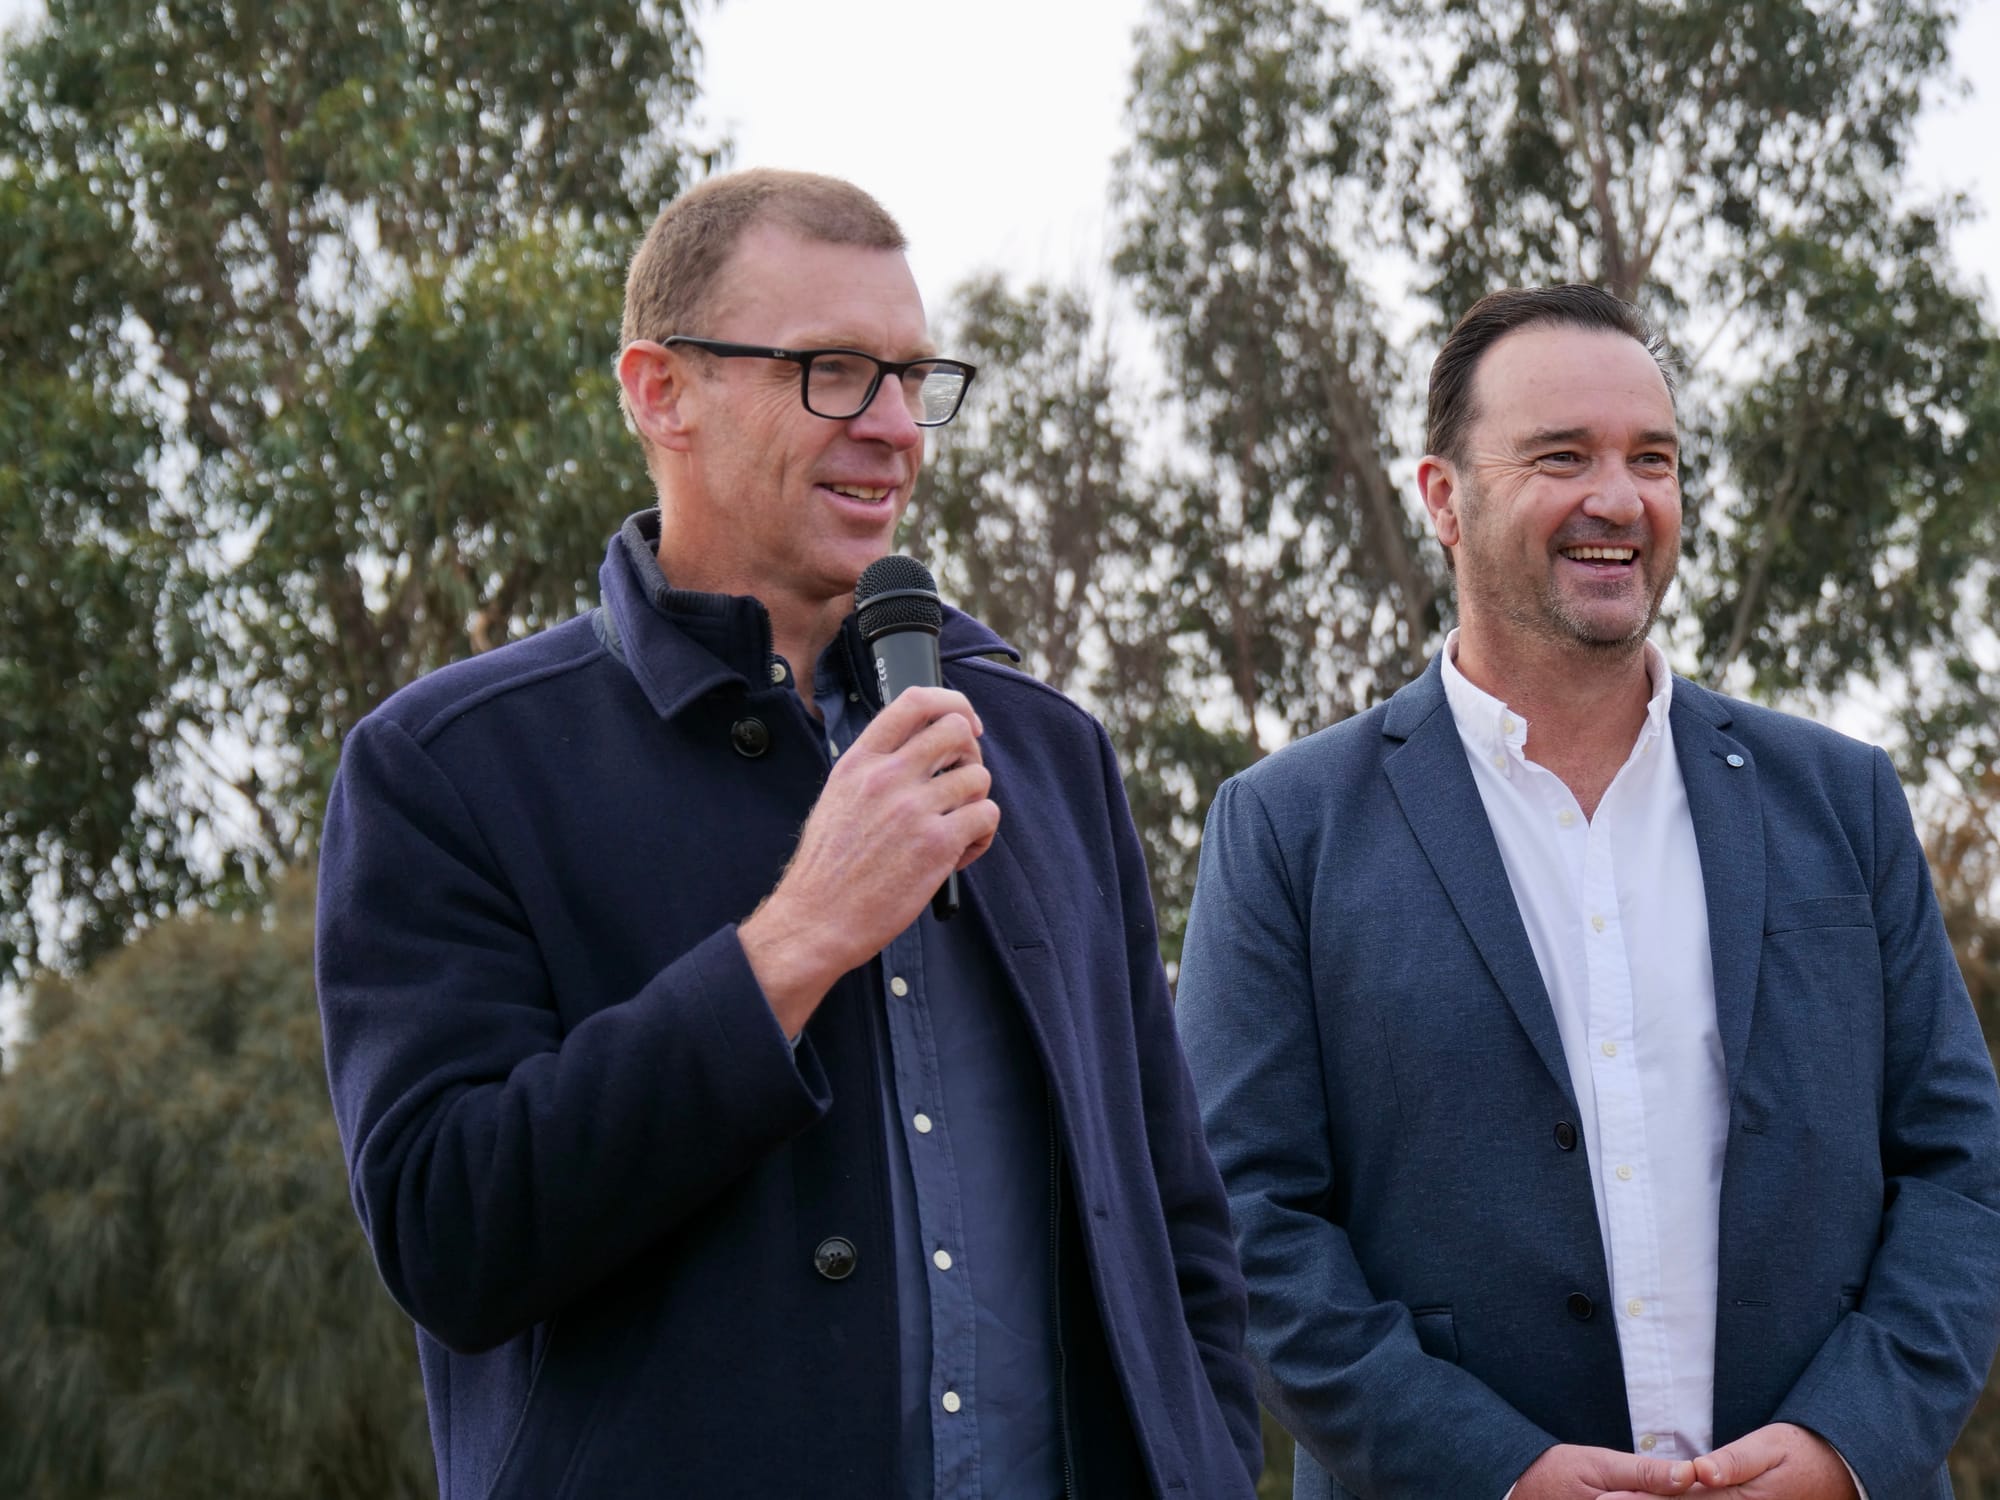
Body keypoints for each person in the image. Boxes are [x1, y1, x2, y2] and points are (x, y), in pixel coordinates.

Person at [315, 168, 1260, 1500]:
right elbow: (448, 1231)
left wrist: (1203, 1465)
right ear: (662, 392)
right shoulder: (448, 769)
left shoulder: (1047, 752)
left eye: (916, 378)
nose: (893, 429)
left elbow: (1176, 1223)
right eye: (831, 371)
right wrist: (796, 939)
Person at [1174, 283, 2000, 1500]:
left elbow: (1958, 1168)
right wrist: (1495, 1471)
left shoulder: (1841, 797)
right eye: (1562, 456)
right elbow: (1245, 1221)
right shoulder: (1285, 829)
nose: (1617, 499)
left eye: (1650, 459)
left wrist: (1845, 1444)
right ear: (1442, 498)